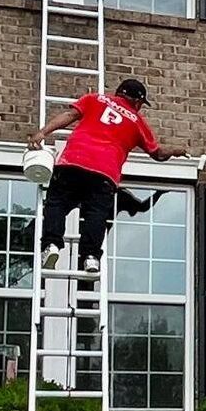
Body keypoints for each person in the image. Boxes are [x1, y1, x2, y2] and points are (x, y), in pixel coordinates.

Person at [28, 77, 192, 276]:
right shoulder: (137, 122)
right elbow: (157, 153)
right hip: (104, 173)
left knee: (57, 203)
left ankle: (51, 245)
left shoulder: (95, 99)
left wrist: (42, 133)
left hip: (74, 162)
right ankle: (90, 257)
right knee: (96, 214)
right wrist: (175, 151)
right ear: (138, 102)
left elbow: (69, 115)